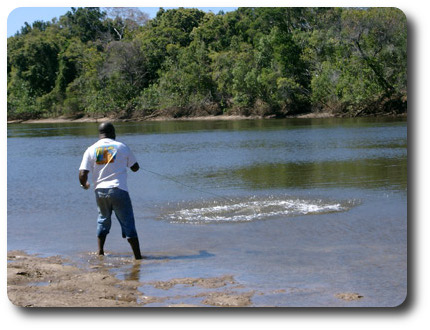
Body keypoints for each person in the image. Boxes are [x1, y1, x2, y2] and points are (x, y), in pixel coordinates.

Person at [79, 122, 143, 260]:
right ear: (113, 133)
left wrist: (85, 184)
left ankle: (100, 252)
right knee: (128, 222)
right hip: (118, 189)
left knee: (103, 220)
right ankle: (138, 257)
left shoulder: (91, 149)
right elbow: (135, 167)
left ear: (100, 134)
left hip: (100, 192)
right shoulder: (121, 146)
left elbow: (82, 174)